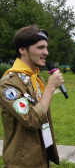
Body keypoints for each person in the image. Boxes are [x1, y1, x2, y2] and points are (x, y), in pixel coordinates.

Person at [0, 25, 63, 167]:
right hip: (22, 162)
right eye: (40, 47)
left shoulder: (34, 78)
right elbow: (32, 120)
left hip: (40, 156)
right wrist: (51, 87)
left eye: (46, 47)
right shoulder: (9, 84)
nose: (46, 52)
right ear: (22, 50)